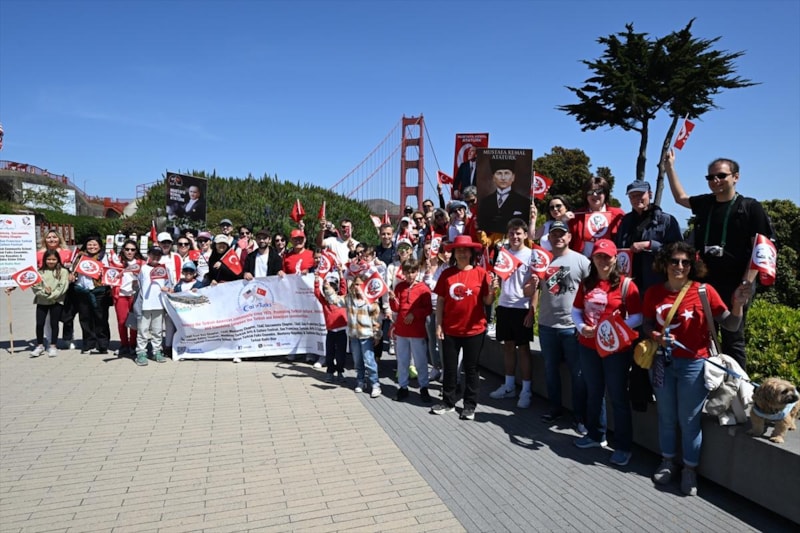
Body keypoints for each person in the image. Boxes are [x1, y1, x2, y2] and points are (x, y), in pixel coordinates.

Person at [642, 242, 748, 496]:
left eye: (685, 262)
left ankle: (689, 469)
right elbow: (646, 324)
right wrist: (656, 336)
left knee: (689, 420)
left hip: (694, 364)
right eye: (674, 261)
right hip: (661, 362)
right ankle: (668, 462)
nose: (679, 266)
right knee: (666, 416)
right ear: (665, 263)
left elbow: (731, 325)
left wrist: (737, 304)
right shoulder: (654, 292)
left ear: (692, 266)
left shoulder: (704, 291)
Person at [664, 150, 772, 370]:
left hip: (736, 283)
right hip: (705, 283)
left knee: (733, 338)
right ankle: (707, 381)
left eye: (721, 176)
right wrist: (669, 167)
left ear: (736, 177)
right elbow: (680, 198)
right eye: (711, 177)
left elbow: (759, 250)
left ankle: (737, 385)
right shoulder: (706, 203)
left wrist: (746, 283)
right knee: (702, 334)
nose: (715, 181)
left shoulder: (750, 207)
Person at [571, 239, 642, 467]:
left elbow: (638, 316)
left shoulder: (626, 285)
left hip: (615, 349)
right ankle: (595, 435)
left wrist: (611, 329)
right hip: (588, 346)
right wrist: (582, 327)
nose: (603, 260)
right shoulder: (586, 284)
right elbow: (576, 310)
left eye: (607, 256)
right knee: (594, 392)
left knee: (618, 396)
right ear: (593, 258)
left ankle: (623, 446)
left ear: (615, 259)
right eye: (599, 256)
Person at [533, 221, 593, 431]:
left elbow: (592, 292)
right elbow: (532, 290)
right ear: (549, 238)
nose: (558, 237)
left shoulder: (582, 261)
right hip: (547, 325)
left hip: (572, 327)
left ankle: (579, 417)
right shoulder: (543, 261)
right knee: (550, 371)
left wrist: (584, 324)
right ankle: (555, 409)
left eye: (562, 234)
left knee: (578, 374)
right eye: (554, 234)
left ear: (569, 237)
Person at [431, 235, 495, 420]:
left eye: (465, 250)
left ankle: (469, 405)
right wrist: (439, 325)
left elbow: (487, 301)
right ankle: (448, 402)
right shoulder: (447, 274)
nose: (462, 253)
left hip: (474, 330)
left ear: (471, 253)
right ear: (454, 253)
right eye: (458, 250)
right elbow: (441, 301)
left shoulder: (481, 273)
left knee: (471, 368)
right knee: (450, 368)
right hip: (450, 329)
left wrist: (492, 291)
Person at [488, 218, 538, 409]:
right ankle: (509, 386)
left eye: (518, 233)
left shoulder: (532, 255)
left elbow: (535, 287)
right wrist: (495, 284)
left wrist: (532, 311)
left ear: (525, 235)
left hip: (522, 308)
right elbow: (500, 280)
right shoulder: (503, 253)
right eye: (511, 233)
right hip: (504, 306)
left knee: (523, 349)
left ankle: (526, 390)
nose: (515, 236)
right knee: (508, 346)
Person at [323, 269, 383, 398]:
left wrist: (377, 335)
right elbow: (335, 300)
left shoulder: (371, 301)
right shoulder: (349, 298)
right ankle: (360, 381)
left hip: (366, 336)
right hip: (354, 336)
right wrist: (328, 288)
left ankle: (375, 384)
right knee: (357, 361)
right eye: (356, 284)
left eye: (360, 284)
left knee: (369, 361)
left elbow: (377, 320)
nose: (358, 287)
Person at [615, 180, 682, 294]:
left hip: (657, 283)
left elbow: (678, 251)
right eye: (632, 196)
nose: (636, 199)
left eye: (640, 194)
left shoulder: (667, 221)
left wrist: (650, 245)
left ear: (650, 194)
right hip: (629, 284)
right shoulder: (625, 221)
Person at [389, 258, 433, 403]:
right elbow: (396, 308)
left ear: (417, 272)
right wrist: (392, 299)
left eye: (413, 272)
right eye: (407, 272)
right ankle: (403, 387)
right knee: (402, 361)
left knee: (420, 361)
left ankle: (424, 387)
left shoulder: (423, 288)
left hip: (417, 331)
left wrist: (415, 314)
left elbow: (428, 309)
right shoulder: (400, 287)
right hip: (402, 331)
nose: (410, 275)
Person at [71, 235, 112, 354]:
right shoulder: (79, 256)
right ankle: (88, 343)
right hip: (82, 290)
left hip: (99, 291)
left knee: (101, 318)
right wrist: (72, 275)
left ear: (100, 246)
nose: (92, 247)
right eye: (89, 244)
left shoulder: (104, 257)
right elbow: (73, 271)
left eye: (95, 244)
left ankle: (102, 344)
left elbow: (110, 272)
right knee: (85, 318)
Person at [133, 246, 174, 366]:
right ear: (149, 255)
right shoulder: (142, 268)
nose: (156, 257)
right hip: (144, 305)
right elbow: (135, 285)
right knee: (143, 330)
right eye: (153, 254)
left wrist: (168, 289)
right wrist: (134, 284)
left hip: (159, 304)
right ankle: (141, 352)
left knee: (158, 330)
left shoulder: (164, 269)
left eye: (158, 255)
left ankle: (156, 351)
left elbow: (169, 285)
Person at [568, 176, 625, 257]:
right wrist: (563, 220)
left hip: (608, 261)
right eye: (590, 192)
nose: (595, 195)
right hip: (583, 260)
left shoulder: (618, 214)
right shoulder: (576, 216)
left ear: (605, 193)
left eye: (599, 191)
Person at [30, 250, 69, 357]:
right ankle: (40, 345)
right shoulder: (39, 272)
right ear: (44, 260)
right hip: (42, 301)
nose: (51, 261)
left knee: (54, 323)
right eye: (48, 259)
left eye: (53, 259)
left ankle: (53, 345)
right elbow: (35, 287)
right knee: (40, 323)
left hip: (56, 301)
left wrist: (52, 296)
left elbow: (63, 286)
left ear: (58, 260)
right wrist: (44, 293)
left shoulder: (63, 271)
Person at [477, 159, 531, 235]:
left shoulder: (524, 202)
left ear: (513, 177)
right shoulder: (485, 202)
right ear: (493, 177)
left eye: (506, 173)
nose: (503, 178)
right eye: (499, 173)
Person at [314, 266, 348, 382]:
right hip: (330, 333)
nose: (329, 291)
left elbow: (344, 288)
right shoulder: (324, 302)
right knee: (329, 354)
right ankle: (330, 372)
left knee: (341, 355)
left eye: (331, 288)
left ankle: (340, 372)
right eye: (327, 289)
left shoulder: (341, 299)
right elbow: (317, 292)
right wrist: (317, 279)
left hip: (342, 332)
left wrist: (341, 273)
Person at [113, 239, 143, 357]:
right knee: (122, 321)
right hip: (121, 294)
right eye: (127, 249)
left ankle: (133, 344)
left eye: (132, 249)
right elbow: (109, 275)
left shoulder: (141, 263)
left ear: (136, 251)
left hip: (135, 295)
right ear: (123, 250)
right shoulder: (117, 262)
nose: (130, 252)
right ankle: (124, 344)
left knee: (134, 321)